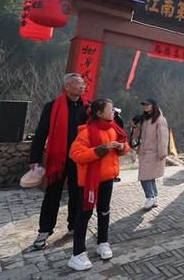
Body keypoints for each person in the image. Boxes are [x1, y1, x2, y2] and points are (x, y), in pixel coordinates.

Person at [67, 99, 130, 271]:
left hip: (107, 179)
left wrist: (120, 147)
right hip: (88, 182)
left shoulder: (114, 129)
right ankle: (77, 254)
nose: (113, 113)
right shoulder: (86, 132)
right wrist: (102, 149)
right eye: (110, 110)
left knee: (104, 211)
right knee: (84, 214)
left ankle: (103, 242)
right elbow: (76, 154)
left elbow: (126, 148)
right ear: (99, 113)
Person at [29, 73, 88, 250]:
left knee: (77, 194)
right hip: (59, 158)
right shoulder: (52, 107)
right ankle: (44, 231)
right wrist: (35, 159)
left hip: (79, 158)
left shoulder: (87, 108)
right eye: (78, 83)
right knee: (52, 195)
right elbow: (40, 134)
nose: (82, 86)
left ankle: (74, 225)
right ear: (67, 87)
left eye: (83, 84)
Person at [134, 98, 169, 210]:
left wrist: (162, 153)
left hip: (153, 152)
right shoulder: (144, 119)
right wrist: (135, 127)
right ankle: (153, 197)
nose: (145, 106)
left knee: (145, 177)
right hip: (144, 151)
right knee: (149, 177)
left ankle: (150, 197)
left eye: (148, 104)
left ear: (154, 105)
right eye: (144, 104)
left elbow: (163, 138)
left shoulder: (160, 119)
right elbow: (137, 135)